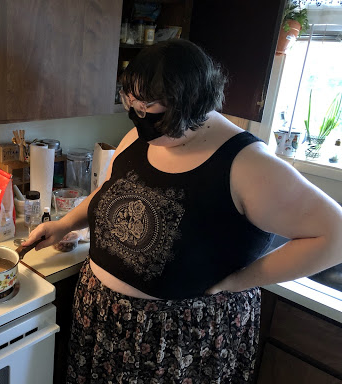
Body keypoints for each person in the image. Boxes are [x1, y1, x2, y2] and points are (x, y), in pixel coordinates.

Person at [23, 39, 342, 383]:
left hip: (177, 340)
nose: (137, 119)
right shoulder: (138, 137)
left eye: (149, 111)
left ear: (190, 104)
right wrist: (66, 222)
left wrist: (238, 281)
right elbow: (111, 189)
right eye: (131, 105)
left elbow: (334, 236)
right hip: (103, 319)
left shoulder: (248, 165)